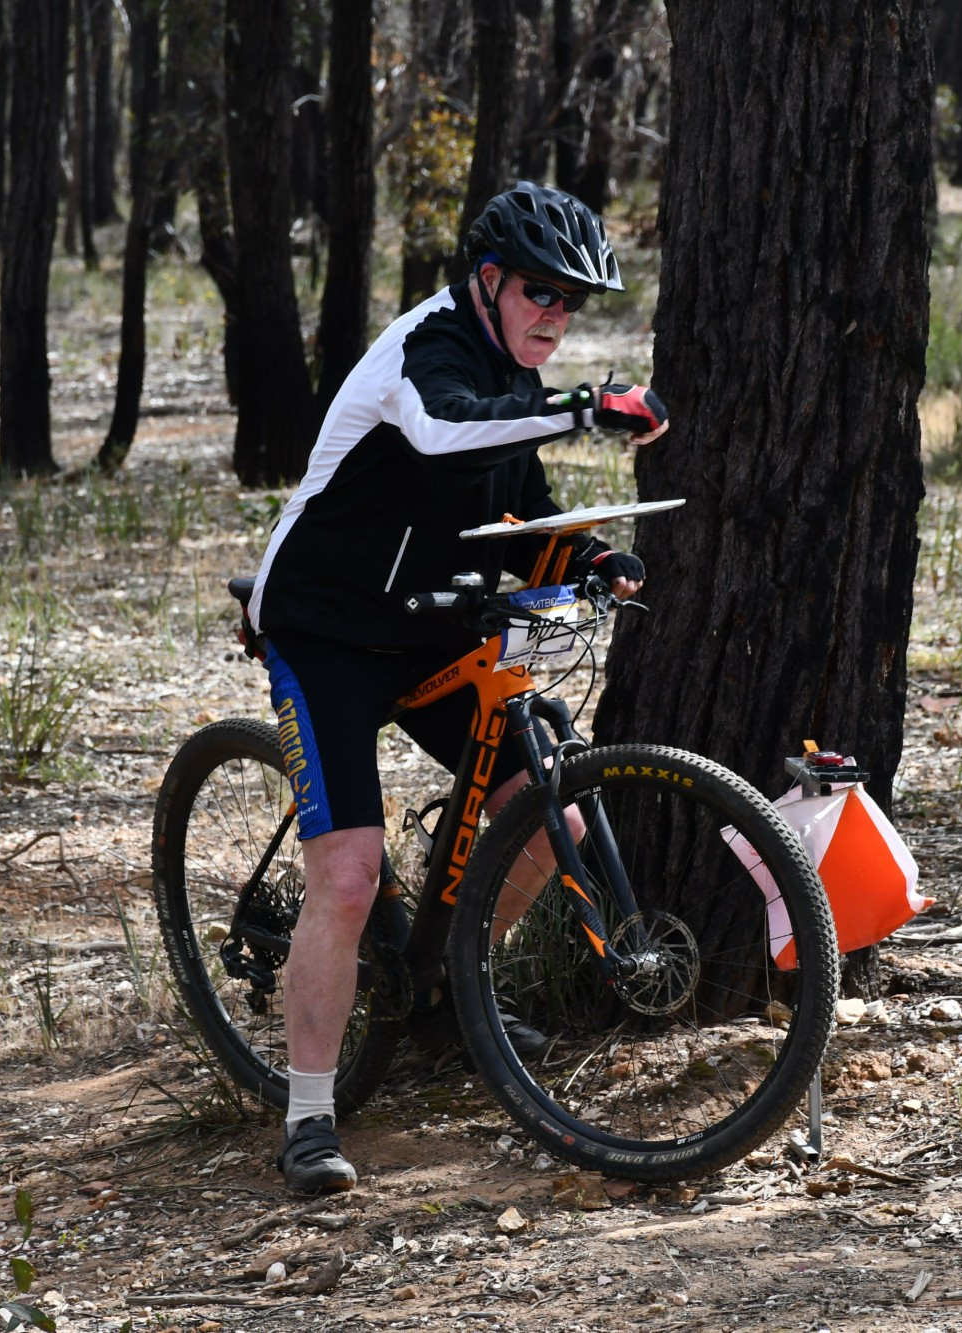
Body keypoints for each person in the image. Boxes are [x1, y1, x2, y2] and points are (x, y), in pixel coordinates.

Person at [244, 181, 669, 1195]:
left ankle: (441, 981)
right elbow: (443, 433)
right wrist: (581, 410)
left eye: (570, 304)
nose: (553, 318)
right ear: (486, 282)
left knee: (537, 796)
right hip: (325, 630)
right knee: (345, 879)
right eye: (537, 293)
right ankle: (308, 1116)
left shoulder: (517, 382)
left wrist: (592, 555)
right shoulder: (423, 354)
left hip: (427, 631)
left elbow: (521, 519)